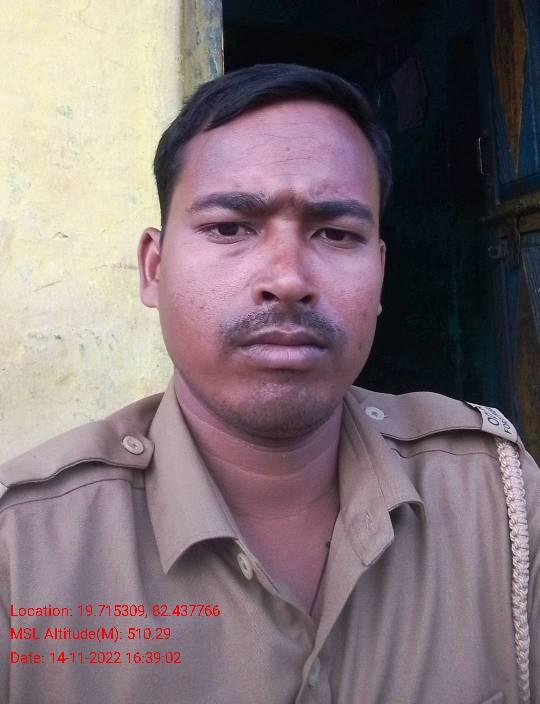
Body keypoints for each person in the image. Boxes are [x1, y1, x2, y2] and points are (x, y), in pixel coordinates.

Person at [0, 62, 538, 704]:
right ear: (154, 268)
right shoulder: (22, 552)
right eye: (230, 228)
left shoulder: (499, 501)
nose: (288, 279)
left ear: (380, 273)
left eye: (336, 234)